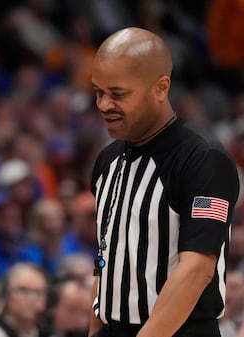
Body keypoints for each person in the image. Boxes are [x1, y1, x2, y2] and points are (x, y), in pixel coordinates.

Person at [88, 27, 240, 337]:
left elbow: (196, 270)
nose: (104, 104)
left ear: (160, 88)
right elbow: (106, 261)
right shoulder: (107, 160)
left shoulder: (203, 159)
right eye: (98, 92)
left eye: (117, 94)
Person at [0, 262, 51, 337]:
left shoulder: (46, 333)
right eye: (23, 290)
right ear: (6, 295)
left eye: (39, 292)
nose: (32, 299)